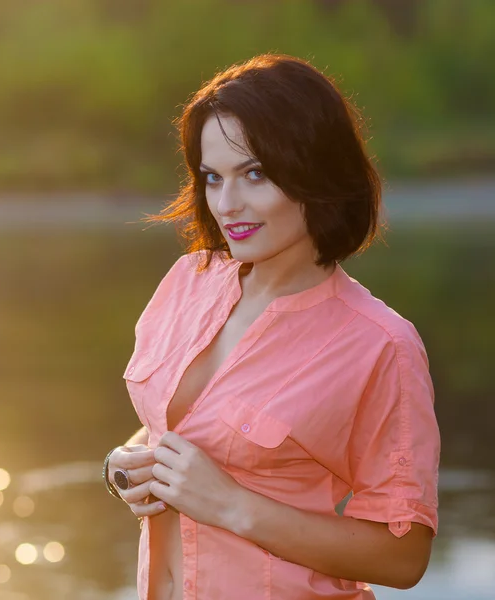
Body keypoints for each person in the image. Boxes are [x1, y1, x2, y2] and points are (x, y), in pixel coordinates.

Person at [102, 54, 440, 600]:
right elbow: (190, 420)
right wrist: (123, 465)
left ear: (315, 171)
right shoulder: (191, 280)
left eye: (255, 174)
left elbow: (404, 556)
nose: (227, 204)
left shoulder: (380, 344)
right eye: (213, 178)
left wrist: (232, 505)